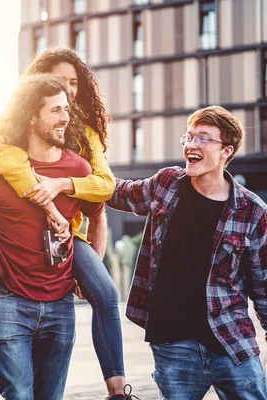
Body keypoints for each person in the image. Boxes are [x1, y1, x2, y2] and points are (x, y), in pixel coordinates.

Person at [0, 46, 128, 398]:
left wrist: (61, 186)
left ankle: (117, 388)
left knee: (105, 292)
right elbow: (4, 160)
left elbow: (103, 191)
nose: (69, 92)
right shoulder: (9, 139)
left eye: (73, 84)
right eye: (59, 83)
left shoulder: (84, 138)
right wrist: (49, 206)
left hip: (66, 242)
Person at [107, 105, 267, 398]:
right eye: (189, 137)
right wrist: (74, 167)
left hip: (230, 339)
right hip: (172, 343)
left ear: (226, 151)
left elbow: (263, 283)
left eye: (203, 139)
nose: (192, 145)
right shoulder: (167, 183)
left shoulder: (252, 211)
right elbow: (117, 191)